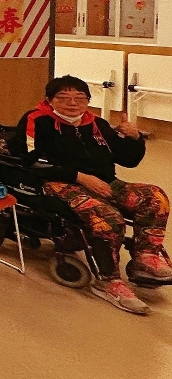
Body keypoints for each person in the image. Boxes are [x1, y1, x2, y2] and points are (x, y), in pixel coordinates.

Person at [10, 76, 170, 315]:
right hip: (58, 183)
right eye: (63, 97)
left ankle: (145, 258)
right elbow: (31, 161)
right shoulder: (37, 120)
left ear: (88, 100)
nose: (72, 103)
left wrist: (135, 138)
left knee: (155, 197)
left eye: (80, 97)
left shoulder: (97, 124)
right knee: (108, 219)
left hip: (105, 182)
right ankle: (108, 281)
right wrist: (80, 177)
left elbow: (129, 160)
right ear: (49, 100)